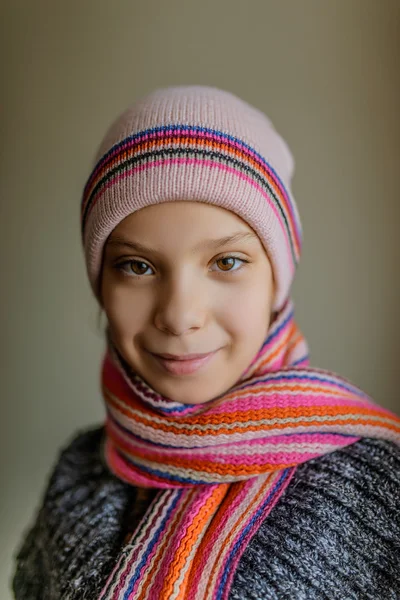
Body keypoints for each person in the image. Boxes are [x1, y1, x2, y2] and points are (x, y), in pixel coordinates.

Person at [12, 86, 400, 600]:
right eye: (137, 266)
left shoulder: (378, 487)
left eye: (227, 262)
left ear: (276, 281)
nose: (178, 315)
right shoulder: (80, 473)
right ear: (100, 283)